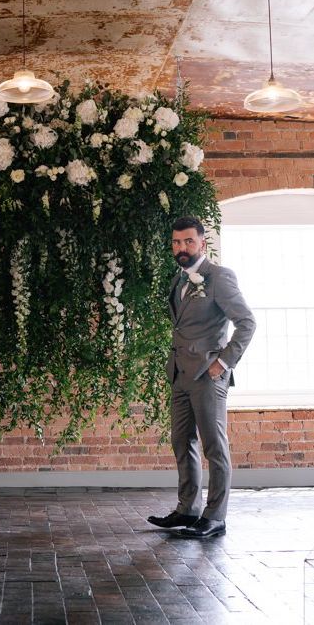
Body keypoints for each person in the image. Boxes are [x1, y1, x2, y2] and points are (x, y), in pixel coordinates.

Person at [148, 216, 256, 539]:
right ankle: (188, 509)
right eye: (176, 243)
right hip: (180, 373)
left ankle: (215, 516)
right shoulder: (178, 281)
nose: (182, 248)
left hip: (209, 375)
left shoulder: (219, 278)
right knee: (182, 441)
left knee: (214, 447)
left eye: (188, 242)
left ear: (202, 244)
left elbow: (247, 323)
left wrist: (223, 363)